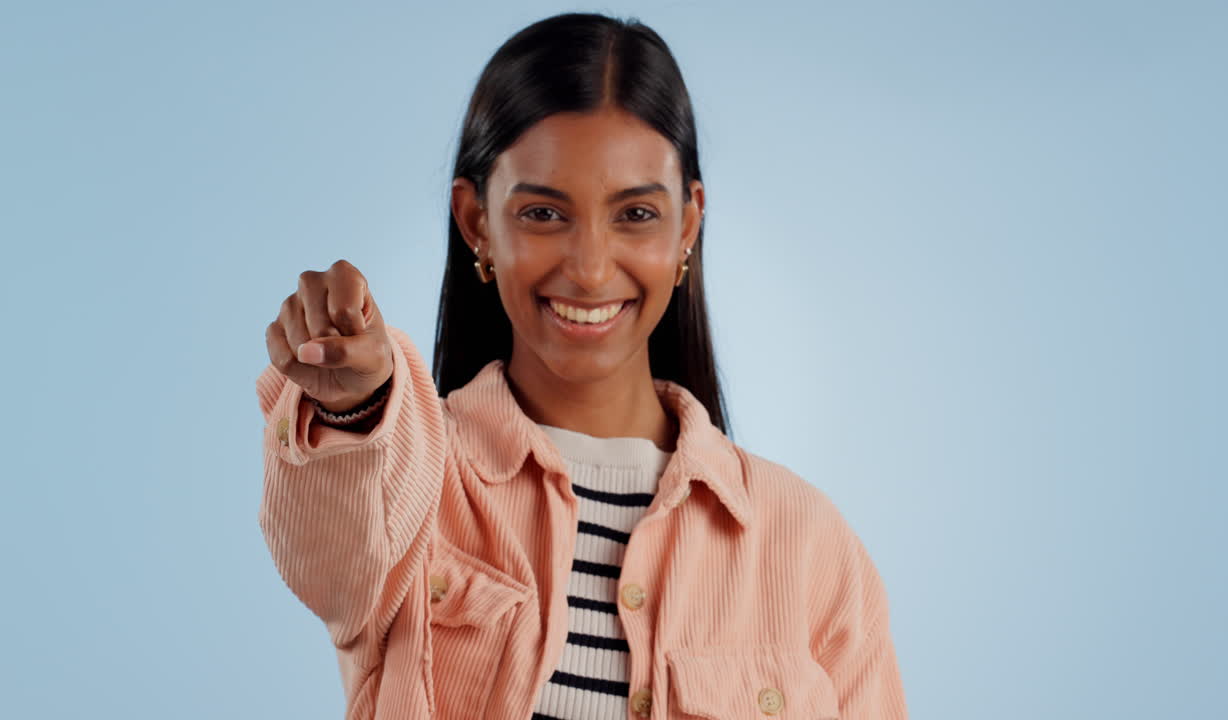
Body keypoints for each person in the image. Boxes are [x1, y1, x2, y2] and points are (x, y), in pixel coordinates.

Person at [257, 11, 908, 720]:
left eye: (635, 215)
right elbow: (330, 545)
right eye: (543, 214)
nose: (592, 270)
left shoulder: (808, 545)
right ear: (477, 222)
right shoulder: (412, 487)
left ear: (688, 223)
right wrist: (353, 406)